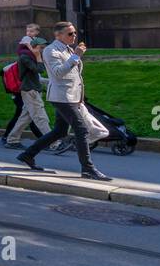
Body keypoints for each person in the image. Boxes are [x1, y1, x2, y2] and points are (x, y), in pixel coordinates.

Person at [16, 22, 112, 181]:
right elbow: (58, 73)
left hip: (72, 97)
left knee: (60, 132)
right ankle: (88, 169)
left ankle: (27, 155)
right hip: (61, 97)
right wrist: (76, 56)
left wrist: (74, 55)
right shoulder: (50, 50)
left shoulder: (67, 50)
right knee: (81, 130)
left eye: (74, 33)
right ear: (58, 35)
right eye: (70, 34)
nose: (74, 36)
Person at [1, 23, 46, 146]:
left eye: (31, 31)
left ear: (37, 32)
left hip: (31, 88)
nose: (41, 50)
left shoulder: (30, 53)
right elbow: (39, 70)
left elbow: (38, 76)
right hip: (28, 89)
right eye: (41, 48)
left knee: (25, 116)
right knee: (39, 117)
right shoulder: (26, 55)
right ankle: (52, 142)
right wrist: (37, 55)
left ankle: (11, 139)